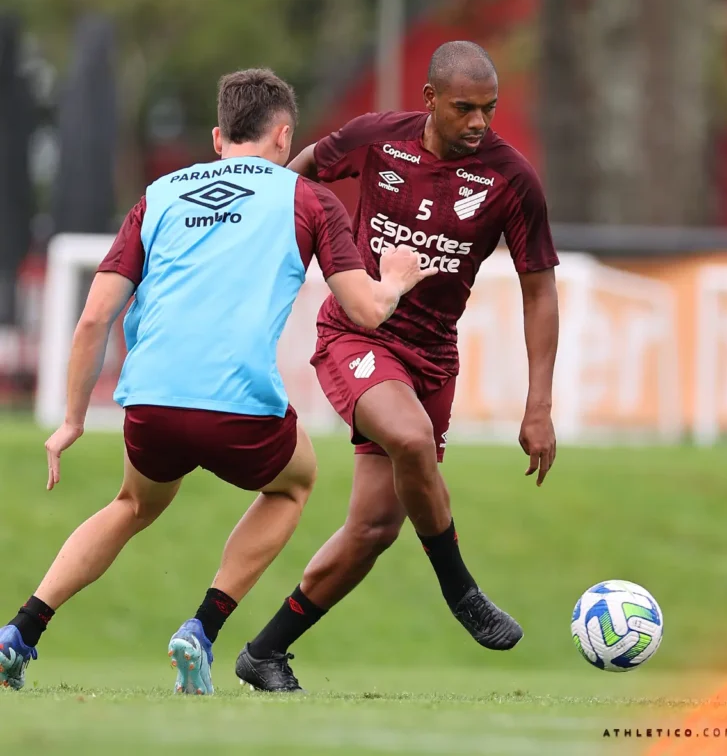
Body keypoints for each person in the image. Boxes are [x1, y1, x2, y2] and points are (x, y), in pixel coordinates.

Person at [0, 68, 433, 695]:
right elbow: (366, 311)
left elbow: (94, 316)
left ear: (217, 136)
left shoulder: (159, 195)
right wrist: (395, 278)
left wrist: (71, 420)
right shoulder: (308, 199)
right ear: (283, 136)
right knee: (294, 484)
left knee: (132, 504)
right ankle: (201, 630)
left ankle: (20, 632)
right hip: (238, 407)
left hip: (151, 401)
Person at [239, 41, 560, 693]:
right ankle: (461, 590)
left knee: (373, 529)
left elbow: (540, 290)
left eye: (489, 109)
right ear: (430, 99)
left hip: (433, 358)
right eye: (465, 108)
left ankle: (263, 654)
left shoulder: (511, 179)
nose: (479, 122)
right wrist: (271, 237)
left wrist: (539, 407)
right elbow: (302, 170)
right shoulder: (377, 138)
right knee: (410, 438)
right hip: (357, 333)